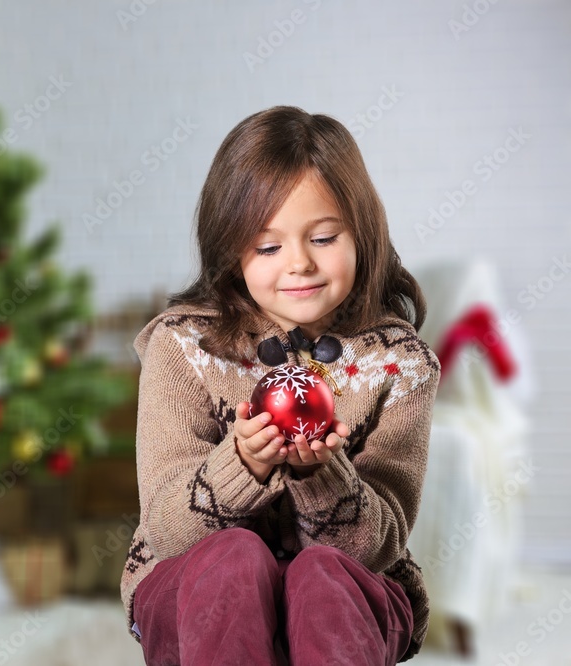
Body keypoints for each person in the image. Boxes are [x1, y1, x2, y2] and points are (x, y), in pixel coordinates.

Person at [119, 106, 441, 665]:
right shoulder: (183, 349)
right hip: (194, 587)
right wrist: (245, 464)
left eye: (323, 237)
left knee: (320, 577)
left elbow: (379, 546)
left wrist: (319, 475)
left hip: (350, 587)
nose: (299, 264)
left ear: (361, 233)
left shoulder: (399, 364)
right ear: (230, 250)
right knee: (235, 560)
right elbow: (167, 533)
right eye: (268, 248)